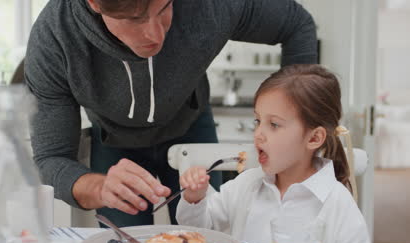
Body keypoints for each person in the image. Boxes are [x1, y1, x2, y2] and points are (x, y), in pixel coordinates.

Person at [25, 0, 318, 227]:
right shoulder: (53, 38)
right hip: (114, 144)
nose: (154, 35)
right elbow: (52, 159)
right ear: (94, 4)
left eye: (164, 8)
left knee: (207, 236)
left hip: (190, 124)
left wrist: (294, 121)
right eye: (134, 19)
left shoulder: (210, 6)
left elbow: (297, 24)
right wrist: (99, 187)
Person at [176, 64, 372, 243]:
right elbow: (201, 231)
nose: (258, 133)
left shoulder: (338, 204)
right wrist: (195, 198)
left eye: (274, 125)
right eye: (257, 121)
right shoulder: (247, 184)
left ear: (314, 138)